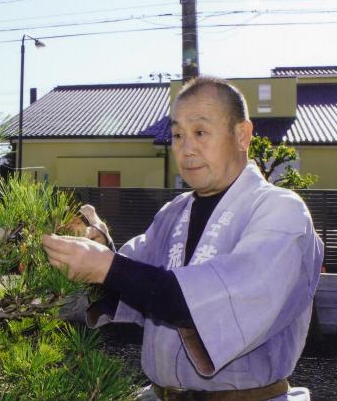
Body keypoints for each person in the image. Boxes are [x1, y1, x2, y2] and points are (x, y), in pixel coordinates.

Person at [43, 76, 324, 401]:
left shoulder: (281, 212)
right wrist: (95, 246)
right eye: (177, 134)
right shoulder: (173, 213)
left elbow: (197, 301)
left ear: (242, 135)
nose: (186, 148)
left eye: (201, 132)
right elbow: (131, 279)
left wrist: (106, 266)